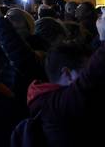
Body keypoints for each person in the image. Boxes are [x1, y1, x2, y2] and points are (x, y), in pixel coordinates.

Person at [21, 13, 105, 146]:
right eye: (83, 70)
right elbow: (90, 79)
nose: (85, 74)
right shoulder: (55, 106)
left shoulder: (47, 98)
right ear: (67, 73)